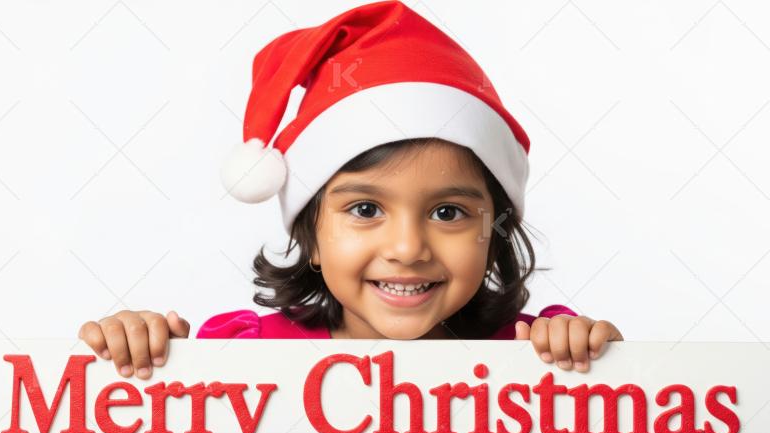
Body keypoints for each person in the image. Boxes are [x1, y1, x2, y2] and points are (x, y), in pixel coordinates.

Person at [78, 0, 623, 381]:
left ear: (494, 229)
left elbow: (641, 400)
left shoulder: (535, 358)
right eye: (365, 209)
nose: (408, 248)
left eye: (449, 212)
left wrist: (609, 371)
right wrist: (136, 356)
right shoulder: (245, 360)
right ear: (310, 236)